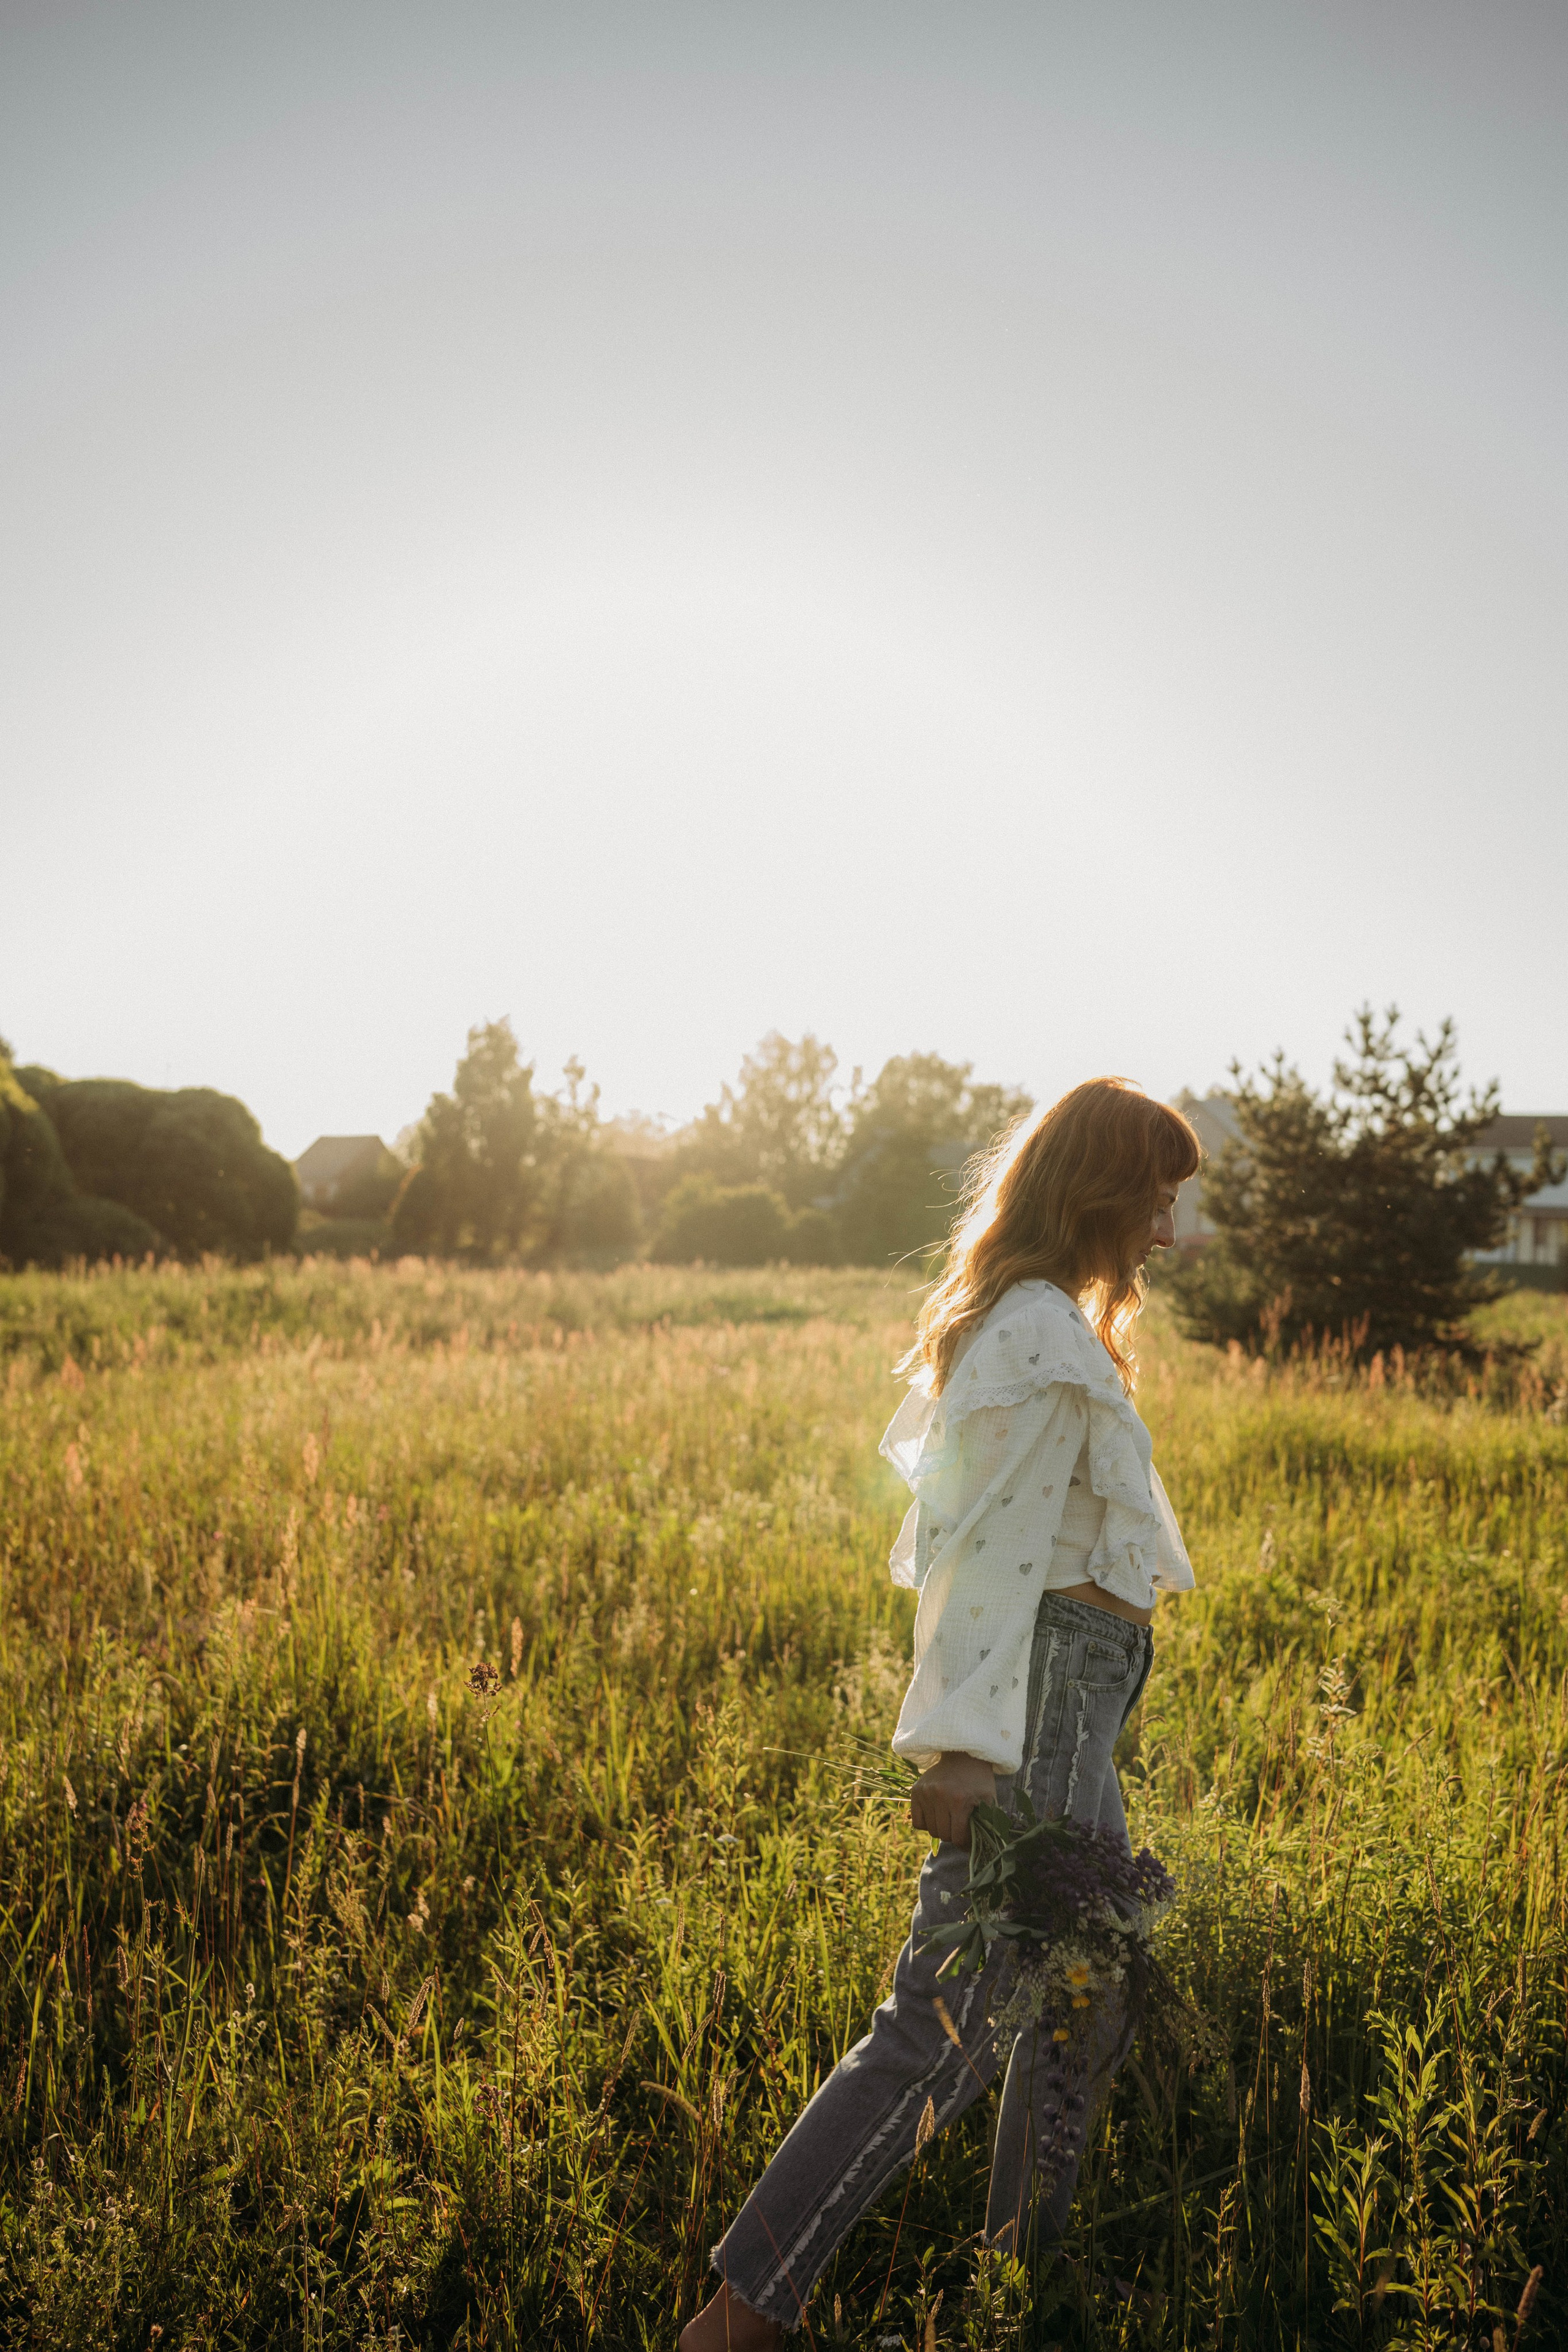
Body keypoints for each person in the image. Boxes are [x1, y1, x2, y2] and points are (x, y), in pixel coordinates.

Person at [679, 1078, 1202, 2350]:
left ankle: (1023, 2277)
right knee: (946, 2023)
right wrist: (963, 1750)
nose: (1165, 1232)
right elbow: (982, 1547)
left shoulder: (1041, 1325)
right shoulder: (1031, 1333)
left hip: (1074, 1698)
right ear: (1098, 1189)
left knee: (1086, 1995)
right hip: (1038, 1697)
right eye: (1154, 1199)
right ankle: (741, 2320)